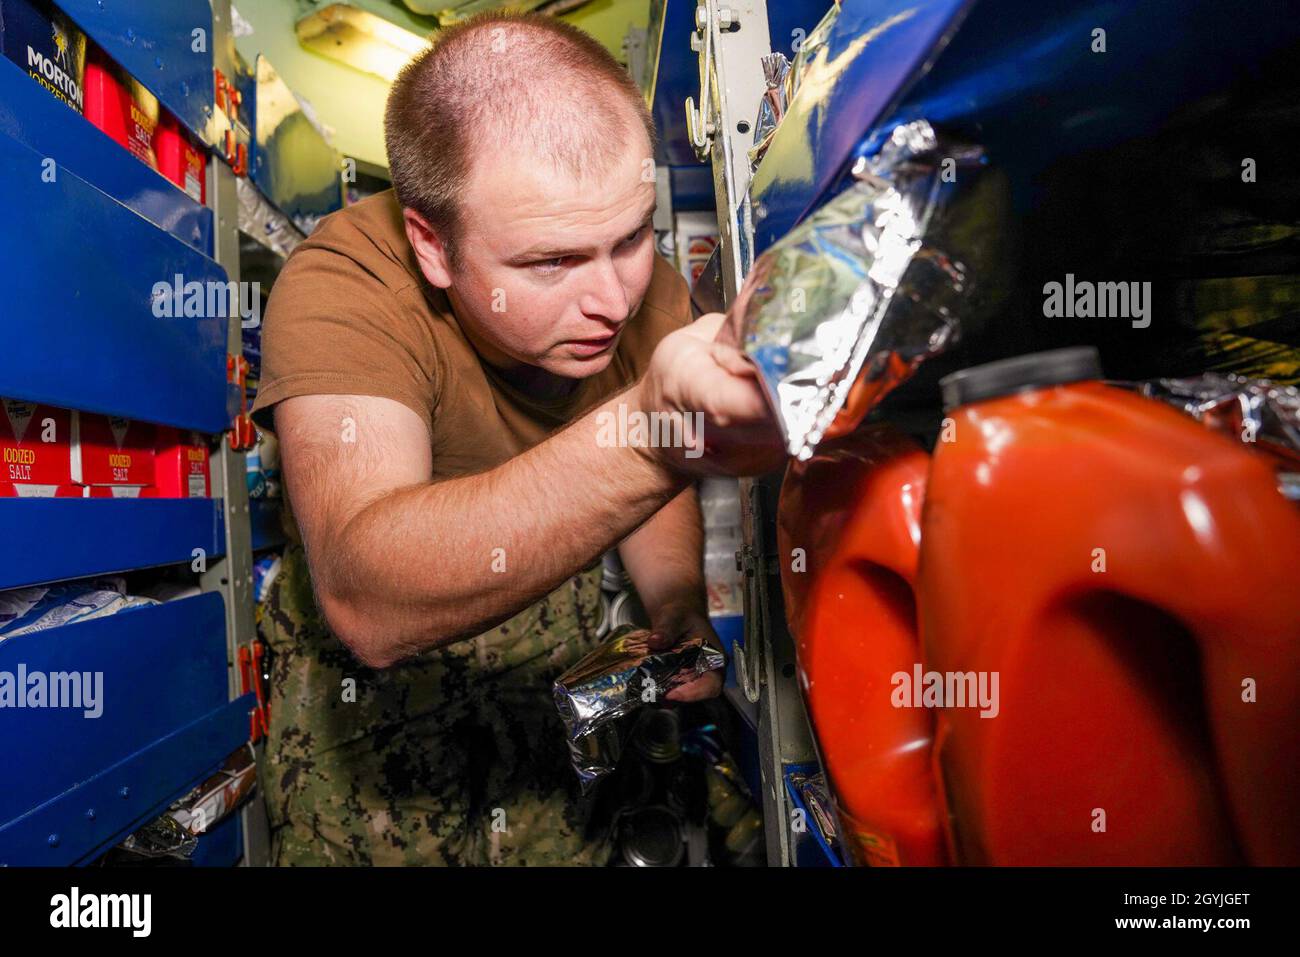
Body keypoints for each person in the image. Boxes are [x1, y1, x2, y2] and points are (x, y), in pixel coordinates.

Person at [249, 10, 783, 866]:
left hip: (548, 668)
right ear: (431, 245)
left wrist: (676, 605)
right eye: (552, 263)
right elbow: (367, 593)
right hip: (371, 710)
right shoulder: (343, 283)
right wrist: (650, 432)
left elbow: (650, 481)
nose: (613, 296)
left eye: (633, 239)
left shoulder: (631, 293)